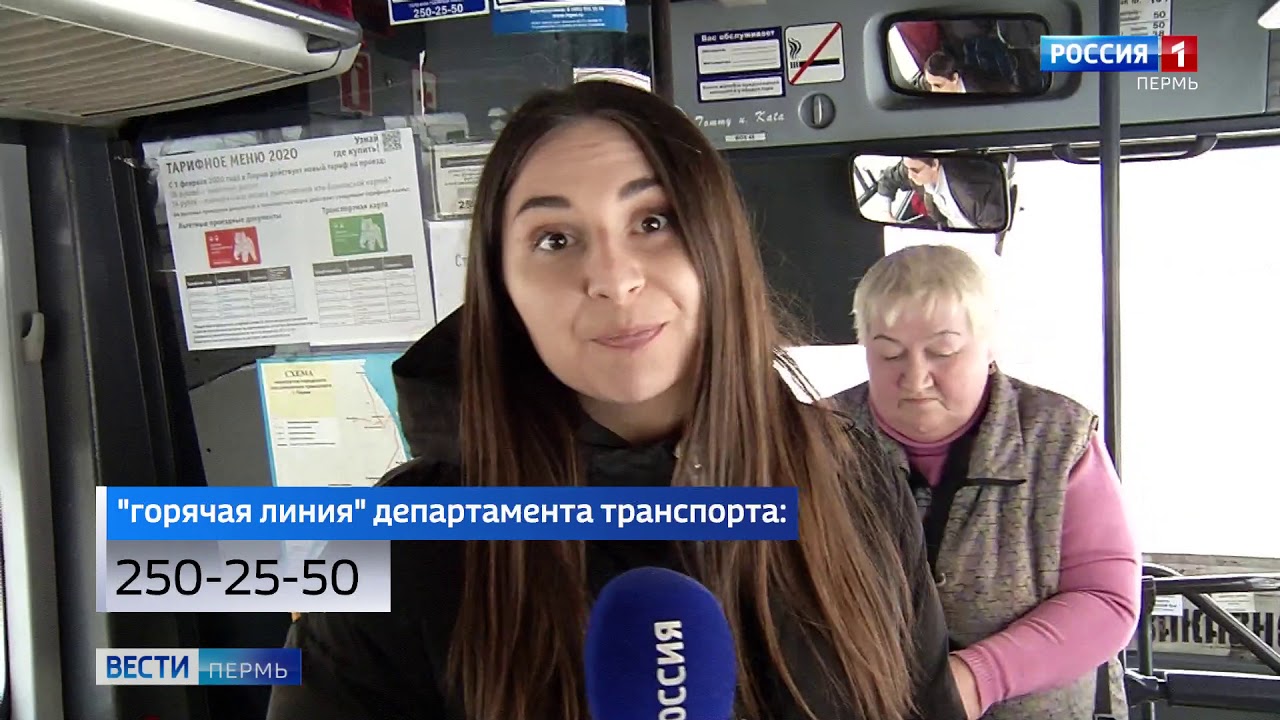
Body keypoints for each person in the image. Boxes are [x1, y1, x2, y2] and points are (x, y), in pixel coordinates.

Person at [266, 81, 967, 720]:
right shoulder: (396, 545)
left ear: (718, 248)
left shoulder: (854, 479)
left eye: (652, 221)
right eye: (555, 239)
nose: (612, 277)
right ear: (503, 290)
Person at [835, 244, 1141, 720]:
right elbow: (739, 537)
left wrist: (979, 678)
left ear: (989, 345)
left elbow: (1105, 600)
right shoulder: (815, 436)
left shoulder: (1060, 438)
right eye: (889, 353)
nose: (915, 378)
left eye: (943, 352)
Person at [876, 156, 1007, 231]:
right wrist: (885, 213)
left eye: (915, 170)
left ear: (934, 164)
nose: (910, 176)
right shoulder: (914, 168)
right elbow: (887, 180)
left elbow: (994, 230)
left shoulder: (973, 193)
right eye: (907, 169)